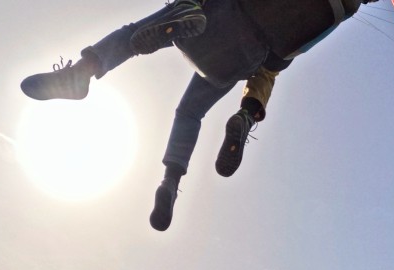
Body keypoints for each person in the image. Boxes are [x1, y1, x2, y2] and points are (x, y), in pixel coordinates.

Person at [20, 0, 375, 231]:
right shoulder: (341, 13)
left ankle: (83, 72)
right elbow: (279, 60)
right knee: (193, 110)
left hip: (217, 18)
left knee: (134, 37)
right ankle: (176, 178)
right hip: (243, 58)